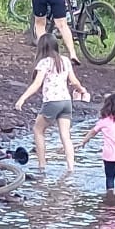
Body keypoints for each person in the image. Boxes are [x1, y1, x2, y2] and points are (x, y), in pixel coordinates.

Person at [14, 33, 90, 173]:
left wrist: (22, 99)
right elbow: (74, 81)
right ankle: (71, 168)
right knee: (65, 136)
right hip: (66, 102)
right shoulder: (65, 60)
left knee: (38, 130)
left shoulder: (44, 63)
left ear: (42, 47)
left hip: (52, 102)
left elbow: (37, 84)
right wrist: (82, 90)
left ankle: (42, 166)